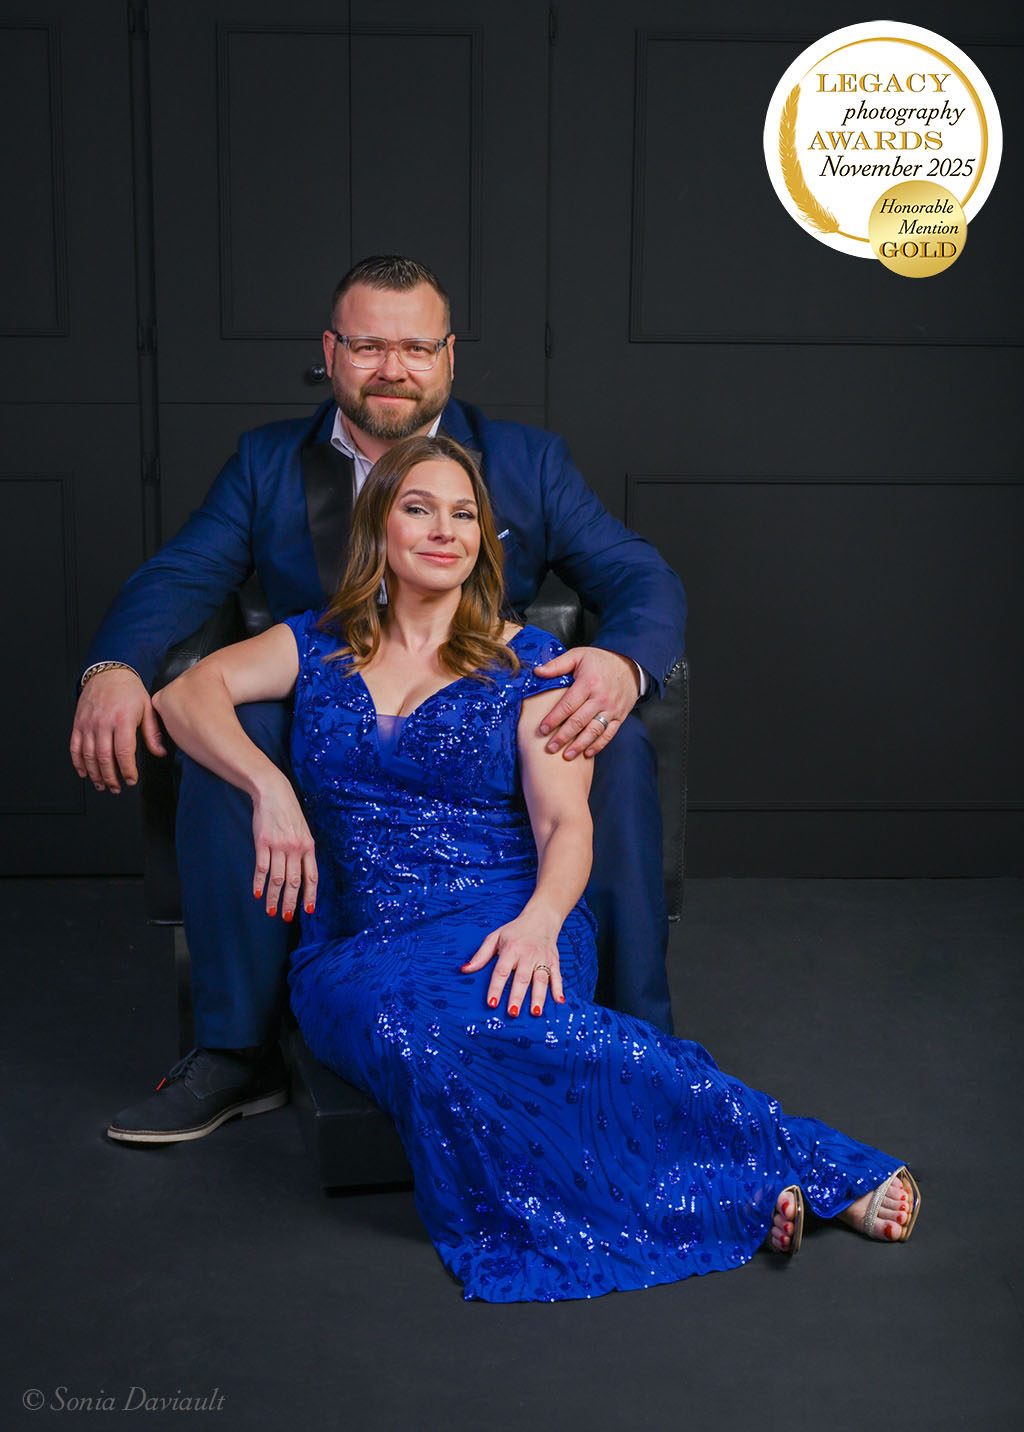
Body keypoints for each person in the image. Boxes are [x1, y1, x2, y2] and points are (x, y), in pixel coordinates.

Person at [150, 433, 920, 1303]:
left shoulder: (530, 667)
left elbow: (566, 827)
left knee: (520, 1023)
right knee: (423, 1034)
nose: (443, 530)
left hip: (510, 914)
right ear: (378, 527)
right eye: (418, 509)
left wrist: (542, 921)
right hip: (360, 948)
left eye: (463, 515)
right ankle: (728, 1189)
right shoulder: (316, 644)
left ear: (483, 540)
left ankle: (800, 1164)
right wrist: (268, 788)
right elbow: (183, 696)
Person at [71, 256, 686, 1143]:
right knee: (230, 738)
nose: (392, 368)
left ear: (447, 357)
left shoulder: (528, 460)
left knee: (602, 735)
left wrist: (622, 665)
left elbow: (639, 575)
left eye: (415, 347)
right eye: (367, 346)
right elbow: (182, 573)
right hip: (323, 704)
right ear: (330, 352)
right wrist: (114, 668)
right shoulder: (267, 462)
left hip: (479, 713)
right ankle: (234, 1053)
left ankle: (639, 1032)